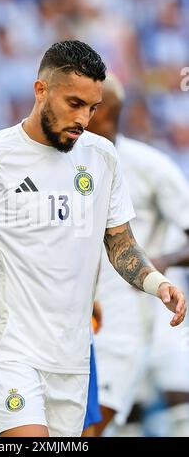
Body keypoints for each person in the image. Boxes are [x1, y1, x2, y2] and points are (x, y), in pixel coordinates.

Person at [0, 40, 186, 438]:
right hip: (7, 352)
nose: (84, 118)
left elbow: (119, 242)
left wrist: (156, 283)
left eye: (92, 108)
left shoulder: (102, 158)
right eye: (74, 103)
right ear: (40, 90)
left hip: (73, 357)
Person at [82, 74, 189, 437]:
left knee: (179, 406)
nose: (78, 114)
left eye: (87, 106)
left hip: (150, 309)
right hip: (94, 313)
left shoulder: (150, 167)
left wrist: (162, 262)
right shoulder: (67, 164)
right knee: (120, 422)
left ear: (106, 111)